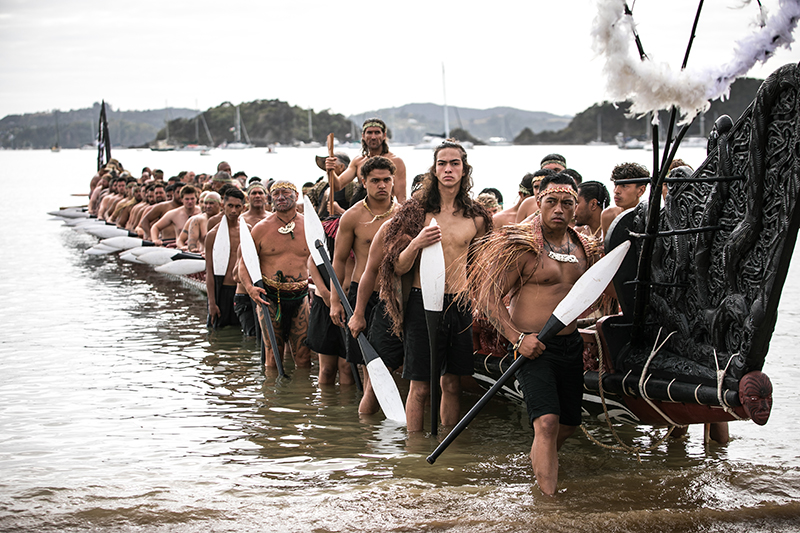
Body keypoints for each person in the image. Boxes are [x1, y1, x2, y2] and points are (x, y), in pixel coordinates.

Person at [468, 172, 602, 495]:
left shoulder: (585, 248)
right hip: (532, 347)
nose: (559, 208)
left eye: (567, 203)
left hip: (570, 345)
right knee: (546, 423)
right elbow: (487, 298)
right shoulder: (523, 246)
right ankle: (548, 507)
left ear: (576, 207)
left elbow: (599, 290)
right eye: (552, 201)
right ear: (539, 202)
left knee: (569, 424)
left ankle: (538, 463)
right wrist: (518, 338)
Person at [379, 139, 491, 432]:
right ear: (434, 168)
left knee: (453, 383)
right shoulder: (417, 212)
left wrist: (481, 304)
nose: (448, 169)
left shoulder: (476, 216)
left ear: (464, 169)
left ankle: (448, 452)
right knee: (421, 386)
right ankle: (414, 453)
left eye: (455, 163)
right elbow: (398, 266)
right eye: (442, 163)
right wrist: (417, 243)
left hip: (460, 303)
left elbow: (477, 267)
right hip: (422, 302)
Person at [329, 156, 401, 413]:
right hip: (361, 293)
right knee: (364, 360)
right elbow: (338, 261)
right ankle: (369, 419)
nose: (382, 185)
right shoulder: (352, 217)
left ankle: (379, 412)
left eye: (387, 180)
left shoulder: (404, 215)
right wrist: (335, 301)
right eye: (375, 180)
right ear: (364, 181)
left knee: (388, 360)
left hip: (394, 296)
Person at [239, 181, 312, 370]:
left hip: (300, 295)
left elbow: (322, 260)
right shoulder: (261, 228)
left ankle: (301, 398)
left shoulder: (310, 226)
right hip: (269, 298)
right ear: (271, 199)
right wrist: (250, 289)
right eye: (276, 193)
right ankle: (273, 398)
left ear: (296, 196)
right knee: (273, 355)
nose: (280, 197)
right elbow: (244, 263)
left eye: (285, 193)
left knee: (304, 357)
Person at [325, 118, 408, 203]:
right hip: (362, 210)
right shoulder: (358, 161)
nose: (373, 137)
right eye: (369, 132)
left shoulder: (396, 162)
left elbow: (401, 199)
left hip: (385, 212)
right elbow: (337, 186)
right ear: (363, 136)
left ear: (384, 136)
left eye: (377, 132)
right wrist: (330, 170)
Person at [205, 188, 245, 329]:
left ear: (243, 208)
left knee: (244, 334)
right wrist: (211, 302)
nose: (233, 210)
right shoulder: (213, 234)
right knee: (217, 333)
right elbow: (209, 270)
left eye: (237, 207)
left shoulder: (248, 231)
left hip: (241, 290)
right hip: (221, 290)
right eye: (230, 206)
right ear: (223, 206)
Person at [234, 183, 270, 338]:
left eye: (260, 193)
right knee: (251, 338)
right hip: (244, 286)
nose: (257, 196)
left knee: (267, 338)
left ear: (266, 196)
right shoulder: (240, 220)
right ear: (248, 198)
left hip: (267, 287)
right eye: (253, 193)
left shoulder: (272, 220)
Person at [601, 162, 649, 237]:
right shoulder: (608, 215)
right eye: (616, 185)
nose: (616, 191)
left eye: (624, 186)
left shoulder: (647, 218)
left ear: (640, 191)